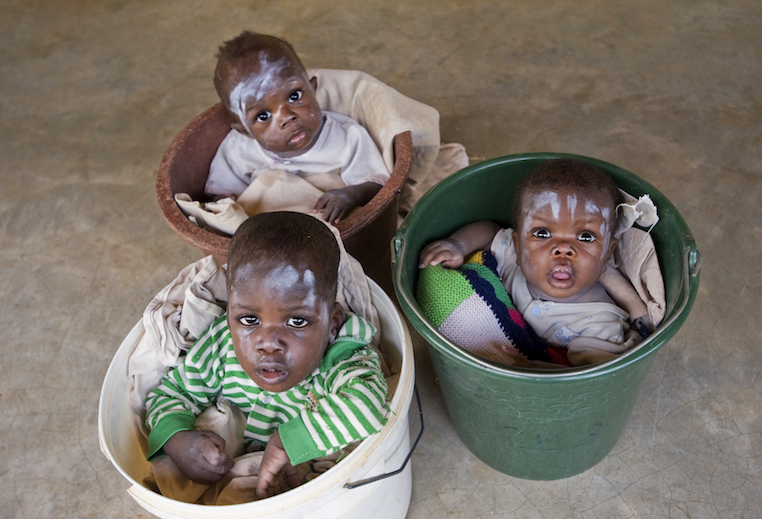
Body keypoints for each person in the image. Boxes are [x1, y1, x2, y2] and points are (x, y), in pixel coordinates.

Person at [144, 212, 390, 499]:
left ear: (333, 323)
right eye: (249, 319)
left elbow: (369, 403)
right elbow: (169, 394)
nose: (268, 343)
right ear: (229, 314)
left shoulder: (340, 359)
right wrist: (178, 441)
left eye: (297, 321)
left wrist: (286, 443)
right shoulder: (221, 346)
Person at [418, 158, 642, 366]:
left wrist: (532, 368)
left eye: (585, 237)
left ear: (607, 254)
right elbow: (489, 230)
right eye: (543, 233)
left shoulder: (600, 326)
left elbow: (588, 382)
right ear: (518, 244)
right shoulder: (514, 258)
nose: (563, 249)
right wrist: (457, 245)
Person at [205, 31, 390, 223]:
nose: (287, 117)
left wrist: (350, 195)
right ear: (245, 131)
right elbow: (222, 193)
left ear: (313, 89)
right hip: (267, 232)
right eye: (263, 116)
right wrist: (224, 203)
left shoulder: (347, 137)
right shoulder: (238, 149)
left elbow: (376, 184)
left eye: (294, 96)